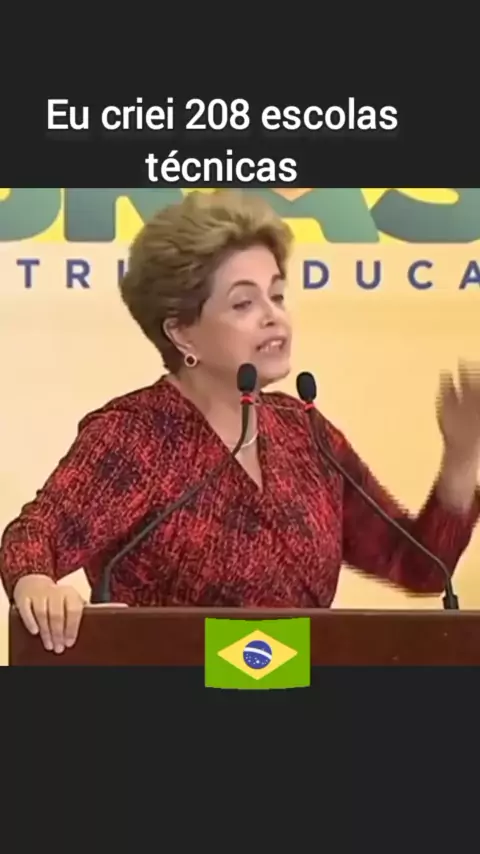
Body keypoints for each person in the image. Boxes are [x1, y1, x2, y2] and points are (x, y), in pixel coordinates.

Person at [1, 190, 480, 655]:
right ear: (182, 331)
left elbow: (417, 566)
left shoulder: (303, 431)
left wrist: (461, 460)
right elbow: (33, 538)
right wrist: (37, 585)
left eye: (277, 296)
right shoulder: (138, 435)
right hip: (165, 695)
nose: (273, 317)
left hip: (306, 696)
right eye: (243, 303)